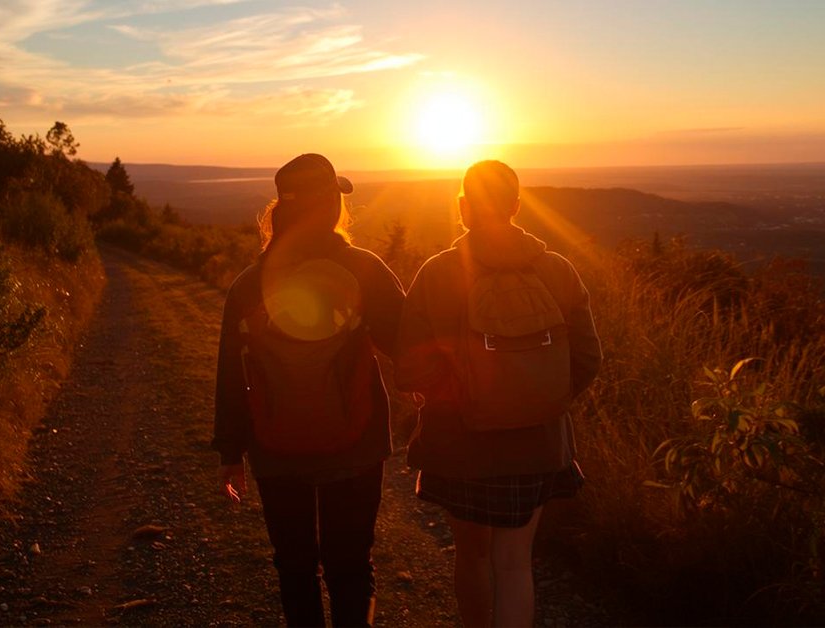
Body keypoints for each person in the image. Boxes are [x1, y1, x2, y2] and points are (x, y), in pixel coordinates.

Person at [395, 160, 603, 628]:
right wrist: (542, 398)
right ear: (515, 205)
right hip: (537, 444)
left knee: (470, 556)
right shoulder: (558, 271)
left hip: (459, 446)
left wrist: (451, 397)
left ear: (464, 209)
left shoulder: (437, 274)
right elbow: (588, 358)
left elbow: (409, 366)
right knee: (514, 564)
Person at [212, 153, 405, 627]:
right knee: (351, 564)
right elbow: (406, 342)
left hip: (276, 448)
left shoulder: (249, 283)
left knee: (294, 566)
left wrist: (231, 453)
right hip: (357, 442)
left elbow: (231, 373)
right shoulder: (364, 268)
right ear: (332, 206)